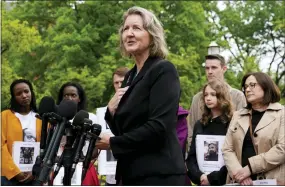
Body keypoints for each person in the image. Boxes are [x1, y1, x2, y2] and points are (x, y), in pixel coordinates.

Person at [95, 6, 186, 186]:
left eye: (136, 28)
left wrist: (114, 143)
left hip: (159, 174)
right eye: (126, 29)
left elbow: (159, 126)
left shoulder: (163, 70)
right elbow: (126, 128)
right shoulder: (129, 76)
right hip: (132, 173)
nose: (129, 33)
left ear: (152, 35)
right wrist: (111, 111)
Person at [222, 72, 285, 185]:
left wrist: (250, 168)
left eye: (252, 85)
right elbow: (227, 149)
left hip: (272, 181)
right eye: (245, 87)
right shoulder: (237, 115)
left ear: (266, 86)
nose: (247, 89)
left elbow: (282, 148)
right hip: (240, 182)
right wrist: (239, 174)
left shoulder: (282, 113)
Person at [187, 54, 247, 148]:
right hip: (201, 155)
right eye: (207, 68)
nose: (210, 72)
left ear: (224, 69)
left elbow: (242, 131)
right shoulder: (197, 98)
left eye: (214, 68)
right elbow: (191, 129)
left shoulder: (238, 96)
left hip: (230, 155)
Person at [186, 80, 233, 186]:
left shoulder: (232, 123)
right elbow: (191, 156)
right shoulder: (200, 124)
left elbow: (235, 157)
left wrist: (211, 178)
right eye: (206, 95)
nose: (208, 98)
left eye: (213, 94)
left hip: (224, 182)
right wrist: (200, 176)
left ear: (222, 96)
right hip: (201, 181)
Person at [52, 82, 99, 186]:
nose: (69, 98)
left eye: (73, 95)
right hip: (59, 168)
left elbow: (96, 146)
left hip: (83, 168)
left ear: (79, 98)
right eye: (66, 95)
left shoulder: (91, 117)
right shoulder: (56, 119)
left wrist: (85, 158)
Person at [1, 79, 42, 185]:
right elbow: (1, 146)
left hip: (35, 175)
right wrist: (15, 172)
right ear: (13, 97)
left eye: (26, 91)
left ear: (31, 93)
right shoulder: (5, 116)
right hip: (9, 177)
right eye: (19, 93)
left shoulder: (41, 118)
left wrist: (36, 171)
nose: (24, 96)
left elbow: (45, 147)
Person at [97, 67, 129, 186]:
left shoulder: (140, 107)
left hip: (133, 171)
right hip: (111, 174)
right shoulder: (106, 110)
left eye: (123, 81)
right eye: (116, 82)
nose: (119, 85)